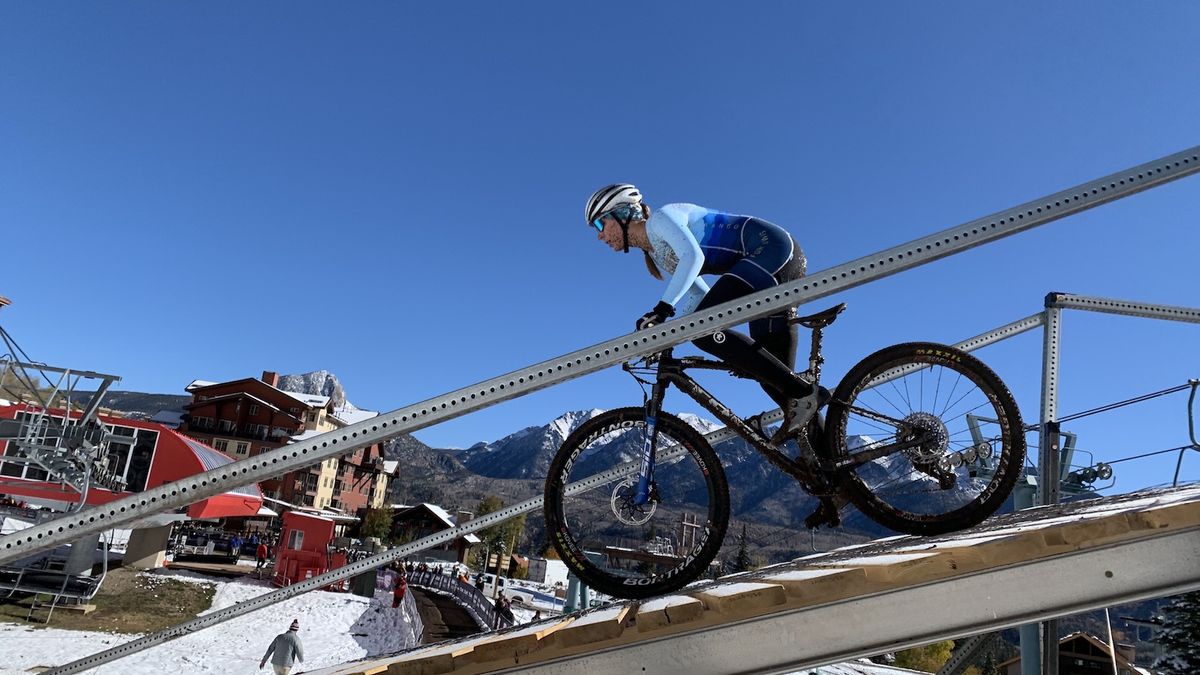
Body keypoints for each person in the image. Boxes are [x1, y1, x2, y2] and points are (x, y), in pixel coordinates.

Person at [584, 183, 825, 442]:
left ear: (623, 214)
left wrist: (662, 310)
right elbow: (698, 296)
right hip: (773, 263)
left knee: (705, 332)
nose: (599, 236)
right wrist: (665, 336)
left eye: (600, 225)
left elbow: (693, 258)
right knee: (775, 381)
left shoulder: (661, 221)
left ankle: (804, 392)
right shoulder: (659, 255)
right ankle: (834, 469)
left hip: (770, 252)